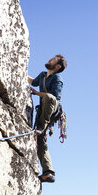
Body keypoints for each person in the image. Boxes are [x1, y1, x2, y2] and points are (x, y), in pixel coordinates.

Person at [28, 54, 67, 183]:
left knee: (49, 97)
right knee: (40, 141)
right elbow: (33, 82)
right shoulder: (43, 75)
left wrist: (37, 93)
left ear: (58, 66)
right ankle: (48, 172)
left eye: (53, 59)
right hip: (44, 111)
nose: (50, 59)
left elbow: (55, 98)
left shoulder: (57, 78)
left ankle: (41, 126)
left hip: (52, 109)